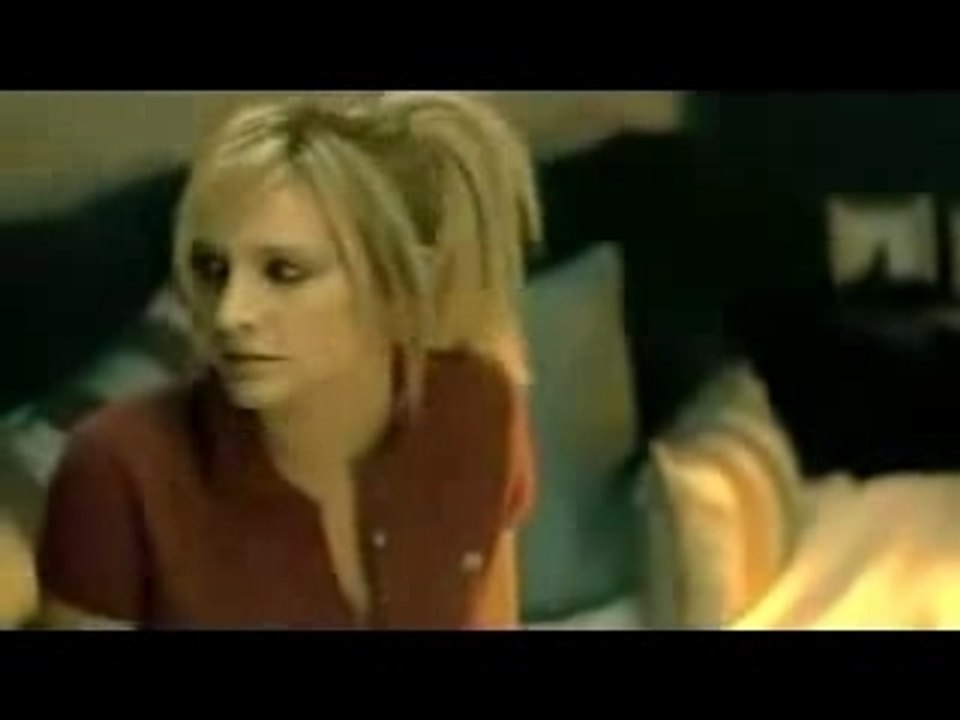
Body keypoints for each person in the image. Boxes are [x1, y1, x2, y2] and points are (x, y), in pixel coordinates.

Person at [34, 92, 542, 629]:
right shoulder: (118, 468)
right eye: (212, 269)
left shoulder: (475, 407)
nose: (230, 313)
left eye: (284, 272)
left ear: (394, 283)